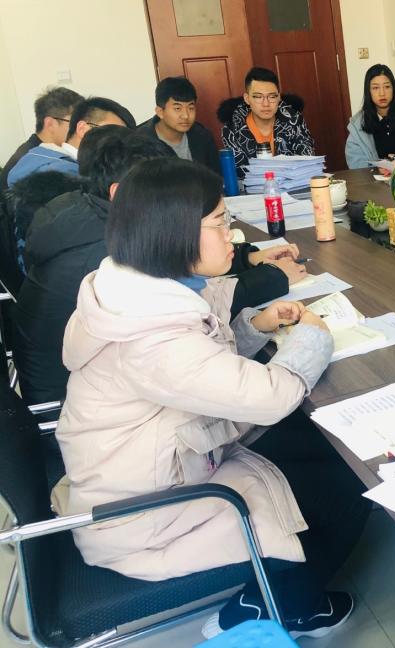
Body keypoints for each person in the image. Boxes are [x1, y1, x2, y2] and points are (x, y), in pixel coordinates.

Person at [50, 158, 369, 640]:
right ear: (174, 232)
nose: (231, 236)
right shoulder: (150, 336)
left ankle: (274, 595)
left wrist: (251, 326)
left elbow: (198, 369)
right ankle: (288, 606)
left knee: (316, 441)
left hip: (158, 468)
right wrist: (313, 336)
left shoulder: (136, 290)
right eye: (220, 222)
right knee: (346, 476)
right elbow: (270, 396)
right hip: (146, 514)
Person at [13, 128, 304, 406]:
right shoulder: (107, 256)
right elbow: (195, 304)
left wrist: (247, 258)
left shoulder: (90, 218)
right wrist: (274, 279)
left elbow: (181, 260)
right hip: (80, 408)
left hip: (118, 397)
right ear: (121, 192)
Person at [7, 96, 135, 185]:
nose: (119, 142)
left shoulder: (35, 157)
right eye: (112, 131)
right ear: (82, 129)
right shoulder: (68, 175)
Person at [219, 67, 315, 179]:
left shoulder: (294, 121)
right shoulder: (232, 128)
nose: (266, 104)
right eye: (258, 97)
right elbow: (240, 174)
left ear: (279, 97)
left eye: (272, 96)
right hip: (252, 189)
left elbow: (306, 163)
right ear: (247, 98)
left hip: (292, 186)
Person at [1, 86, 83, 190]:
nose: (80, 129)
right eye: (75, 122)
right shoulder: (34, 161)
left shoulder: (40, 152)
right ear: (50, 124)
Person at [138, 76, 220, 173]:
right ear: (160, 112)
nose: (186, 116)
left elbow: (216, 176)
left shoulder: (203, 136)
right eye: (177, 108)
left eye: (191, 108)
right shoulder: (140, 143)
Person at [345, 64, 395, 169]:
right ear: (368, 91)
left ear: (393, 88)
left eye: (387, 87)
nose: (382, 93)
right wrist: (378, 169)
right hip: (373, 177)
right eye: (375, 88)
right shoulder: (359, 123)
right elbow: (355, 162)